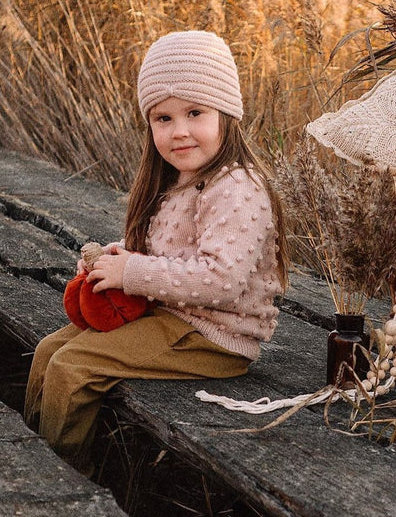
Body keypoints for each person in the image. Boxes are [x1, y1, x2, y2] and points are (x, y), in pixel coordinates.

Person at [24, 30, 288, 473]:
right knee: (49, 350)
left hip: (214, 337)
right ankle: (31, 455)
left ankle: (63, 478)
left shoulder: (239, 187)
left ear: (227, 113)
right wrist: (115, 258)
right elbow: (168, 247)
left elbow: (221, 281)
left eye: (195, 112)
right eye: (163, 118)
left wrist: (133, 273)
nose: (179, 131)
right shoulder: (181, 179)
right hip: (174, 317)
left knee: (72, 368)